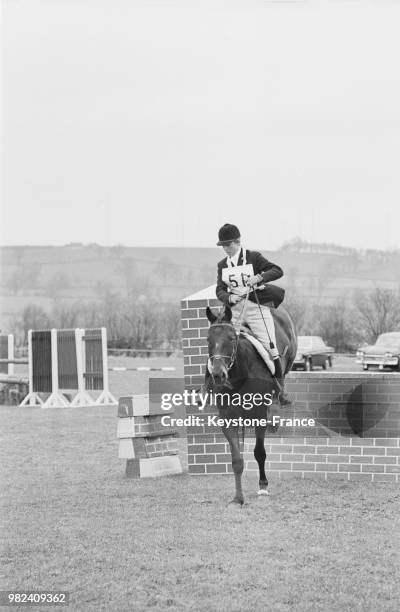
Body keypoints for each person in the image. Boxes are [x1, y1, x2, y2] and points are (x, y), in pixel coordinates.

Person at [215, 223, 291, 406]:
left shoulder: (253, 257)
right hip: (235, 311)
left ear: (237, 242)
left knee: (270, 347)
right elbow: (219, 290)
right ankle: (208, 387)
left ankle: (281, 391)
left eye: (228, 245)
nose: (225, 249)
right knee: (219, 344)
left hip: (256, 309)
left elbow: (277, 270)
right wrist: (228, 297)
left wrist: (260, 277)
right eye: (223, 246)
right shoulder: (222, 265)